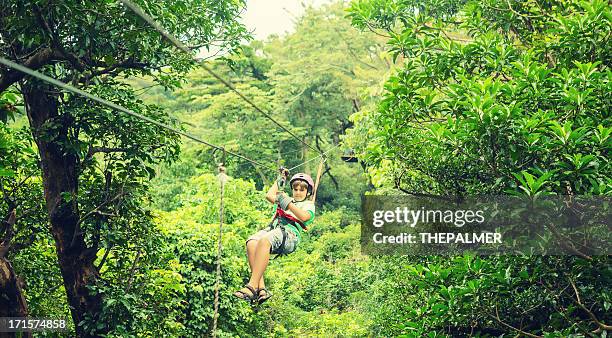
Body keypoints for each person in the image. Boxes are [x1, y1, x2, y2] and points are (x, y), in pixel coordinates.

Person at [233, 170, 316, 304]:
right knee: (252, 242)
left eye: (302, 190)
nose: (298, 192)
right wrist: (281, 178)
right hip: (275, 229)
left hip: (290, 235)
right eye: (295, 189)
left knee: (265, 241)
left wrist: (287, 203)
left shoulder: (308, 205)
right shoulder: (285, 200)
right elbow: (269, 195)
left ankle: (251, 286)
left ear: (308, 192)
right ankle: (261, 289)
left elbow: (304, 216)